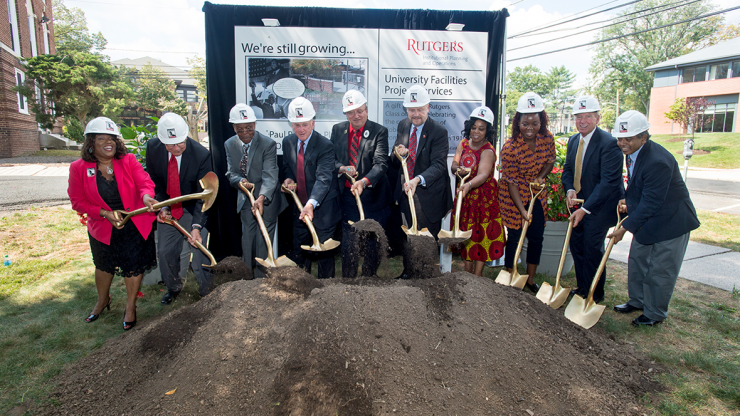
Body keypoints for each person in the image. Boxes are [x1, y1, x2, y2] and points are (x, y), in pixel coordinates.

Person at [607, 111, 700, 326]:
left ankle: (654, 313)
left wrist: (624, 227)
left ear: (644, 137)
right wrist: (628, 203)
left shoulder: (658, 161)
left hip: (671, 222)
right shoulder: (633, 152)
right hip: (647, 220)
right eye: (620, 138)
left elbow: (652, 202)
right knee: (637, 261)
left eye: (628, 139)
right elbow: (639, 188)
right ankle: (637, 301)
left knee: (660, 270)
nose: (622, 143)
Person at [68, 117, 157, 330]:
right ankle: (102, 301)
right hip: (103, 226)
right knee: (104, 266)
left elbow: (144, 183)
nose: (109, 142)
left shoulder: (128, 161)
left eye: (112, 138)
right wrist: (103, 213)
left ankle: (130, 307)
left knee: (133, 266)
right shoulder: (78, 168)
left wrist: (146, 197)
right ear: (91, 143)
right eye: (102, 138)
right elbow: (77, 201)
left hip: (133, 223)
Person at [561, 95, 624, 303]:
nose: (582, 121)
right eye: (578, 117)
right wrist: (570, 189)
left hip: (599, 208)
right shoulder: (573, 140)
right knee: (577, 245)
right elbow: (568, 169)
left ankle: (594, 294)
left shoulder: (609, 144)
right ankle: (582, 287)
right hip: (577, 204)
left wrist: (585, 208)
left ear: (598, 118)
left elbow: (608, 183)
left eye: (588, 116)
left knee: (591, 248)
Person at [146, 113, 214, 304]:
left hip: (193, 209)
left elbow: (205, 195)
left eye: (180, 143)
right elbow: (155, 181)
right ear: (162, 141)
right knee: (165, 252)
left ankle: (207, 292)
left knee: (199, 249)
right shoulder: (153, 148)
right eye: (170, 145)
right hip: (168, 208)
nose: (176, 148)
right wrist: (162, 206)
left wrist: (196, 227)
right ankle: (173, 288)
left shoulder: (201, 155)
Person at [391, 85, 453, 279]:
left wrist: (418, 179)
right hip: (407, 193)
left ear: (428, 107)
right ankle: (408, 272)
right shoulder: (403, 125)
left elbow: (439, 166)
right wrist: (398, 152)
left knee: (426, 239)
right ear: (406, 110)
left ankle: (425, 277)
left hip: (430, 196)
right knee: (408, 235)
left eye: (419, 109)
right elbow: (395, 160)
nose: (415, 114)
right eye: (411, 109)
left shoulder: (439, 131)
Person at [498, 92, 556, 293]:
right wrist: (523, 210)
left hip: (537, 194)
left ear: (542, 121)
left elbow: (550, 160)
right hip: (513, 195)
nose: (530, 128)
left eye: (534, 123)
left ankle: (530, 280)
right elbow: (512, 183)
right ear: (517, 122)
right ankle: (510, 273)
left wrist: (540, 177)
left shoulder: (547, 138)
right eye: (525, 124)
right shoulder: (509, 147)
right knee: (515, 235)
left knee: (536, 236)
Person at [330, 90, 391, 278]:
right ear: (345, 114)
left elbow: (381, 164)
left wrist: (364, 182)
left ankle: (369, 277)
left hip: (373, 196)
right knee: (349, 240)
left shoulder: (379, 131)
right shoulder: (338, 130)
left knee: (372, 240)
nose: (356, 116)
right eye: (350, 112)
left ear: (366, 110)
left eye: (360, 111)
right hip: (348, 197)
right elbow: (331, 159)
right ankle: (348, 279)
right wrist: (342, 168)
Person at [225, 104, 287, 278]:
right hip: (246, 198)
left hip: (266, 198)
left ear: (254, 125)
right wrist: (240, 182)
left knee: (262, 240)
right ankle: (246, 278)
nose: (245, 133)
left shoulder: (267, 144)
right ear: (234, 128)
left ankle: (261, 281)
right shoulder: (229, 144)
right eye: (240, 129)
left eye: (248, 128)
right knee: (247, 239)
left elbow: (270, 176)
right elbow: (231, 173)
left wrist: (261, 198)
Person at [281, 97, 341, 278]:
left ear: (313, 123)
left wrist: (311, 204)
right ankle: (302, 286)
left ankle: (326, 291)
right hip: (300, 207)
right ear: (291, 124)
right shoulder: (288, 142)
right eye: (296, 125)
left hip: (323, 210)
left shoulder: (325, 146)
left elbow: (324, 179)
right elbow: (287, 167)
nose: (301, 129)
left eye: (305, 124)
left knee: (323, 252)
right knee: (300, 250)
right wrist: (288, 179)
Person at [450, 106, 505, 276]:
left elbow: (483, 175)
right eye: (474, 127)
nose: (476, 132)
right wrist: (458, 169)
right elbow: (454, 164)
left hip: (483, 199)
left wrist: (468, 185)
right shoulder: (464, 143)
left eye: (481, 129)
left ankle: (477, 274)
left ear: (488, 130)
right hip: (465, 197)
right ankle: (467, 271)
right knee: (467, 232)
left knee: (481, 235)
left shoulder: (488, 150)